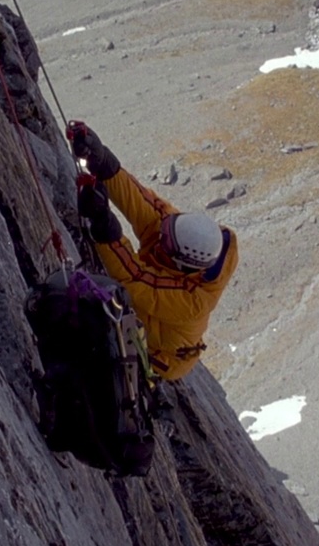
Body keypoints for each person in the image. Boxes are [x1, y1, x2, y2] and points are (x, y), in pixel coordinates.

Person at [68, 121, 238, 382]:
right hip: (159, 310)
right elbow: (145, 205)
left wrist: (104, 226)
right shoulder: (178, 234)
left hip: (161, 353)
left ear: (183, 264)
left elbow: (135, 280)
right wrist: (103, 163)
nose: (160, 234)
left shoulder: (191, 301)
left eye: (166, 242)